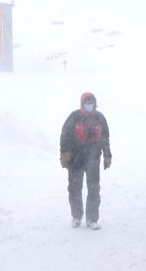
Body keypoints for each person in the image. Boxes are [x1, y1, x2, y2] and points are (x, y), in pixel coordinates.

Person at [60, 92, 112, 230]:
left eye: (91, 102)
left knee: (94, 188)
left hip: (93, 159)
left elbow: (105, 137)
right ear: (82, 103)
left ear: (95, 103)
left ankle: (92, 219)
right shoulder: (74, 116)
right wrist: (64, 153)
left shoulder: (100, 118)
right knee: (74, 188)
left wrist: (107, 154)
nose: (89, 105)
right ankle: (76, 217)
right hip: (76, 159)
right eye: (87, 102)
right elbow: (65, 135)